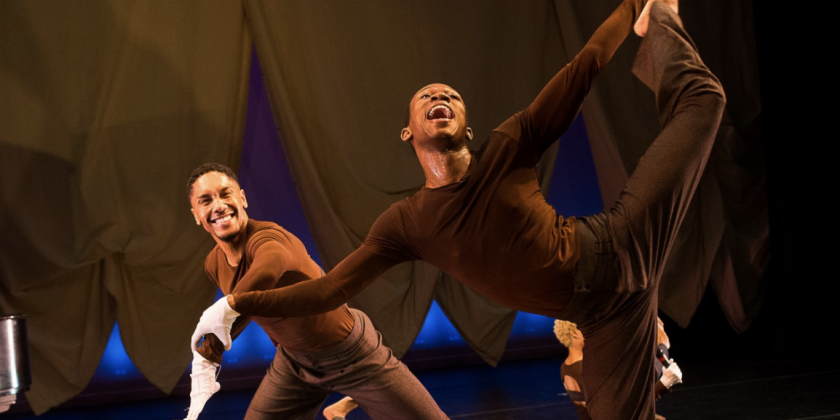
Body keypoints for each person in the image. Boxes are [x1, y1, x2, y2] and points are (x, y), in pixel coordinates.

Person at [191, 0, 725, 418]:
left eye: (448, 94)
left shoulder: (509, 147)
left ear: (466, 127)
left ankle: (663, 15)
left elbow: (584, 66)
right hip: (606, 317)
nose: (438, 96)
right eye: (425, 96)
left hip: (621, 243)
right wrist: (237, 308)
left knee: (705, 101)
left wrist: (636, 6)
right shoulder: (407, 224)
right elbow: (331, 290)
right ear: (408, 132)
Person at [182, 163, 448, 420]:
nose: (218, 206)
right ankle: (344, 404)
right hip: (294, 364)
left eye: (225, 194)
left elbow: (264, 274)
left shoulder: (270, 238)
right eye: (205, 201)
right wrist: (209, 357)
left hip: (351, 354)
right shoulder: (213, 263)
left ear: (242, 199)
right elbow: (243, 311)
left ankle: (353, 399)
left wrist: (218, 329)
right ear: (196, 214)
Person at [553, 319, 682, 420]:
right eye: (589, 328)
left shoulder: (566, 367)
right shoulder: (589, 370)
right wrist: (665, 383)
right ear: (574, 333)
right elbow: (624, 408)